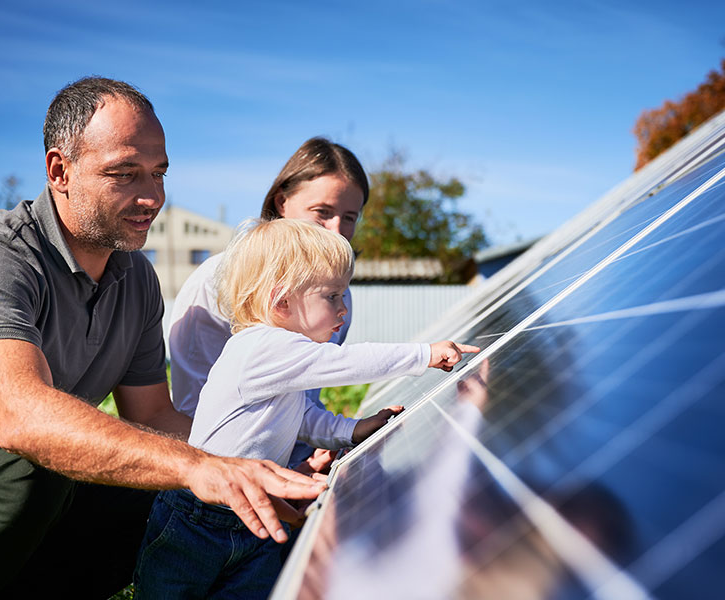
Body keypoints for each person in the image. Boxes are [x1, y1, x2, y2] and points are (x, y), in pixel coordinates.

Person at [0, 77, 324, 600]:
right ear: (59, 171)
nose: (151, 197)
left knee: (158, 493)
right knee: (27, 469)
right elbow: (24, 421)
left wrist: (261, 464)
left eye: (159, 174)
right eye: (123, 174)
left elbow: (154, 417)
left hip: (20, 496)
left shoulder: (134, 277)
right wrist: (199, 467)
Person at [134, 218, 479, 599]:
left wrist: (351, 430)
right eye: (332, 296)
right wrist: (423, 354)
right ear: (281, 301)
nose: (343, 308)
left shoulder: (282, 356)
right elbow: (346, 362)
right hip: (199, 516)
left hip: (256, 508)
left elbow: (301, 417)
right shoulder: (260, 347)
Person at [168, 137, 367, 434]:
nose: (337, 230)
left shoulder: (339, 297)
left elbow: (303, 398)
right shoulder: (219, 282)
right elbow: (195, 408)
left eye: (349, 217)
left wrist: (320, 446)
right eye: (322, 212)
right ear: (281, 203)